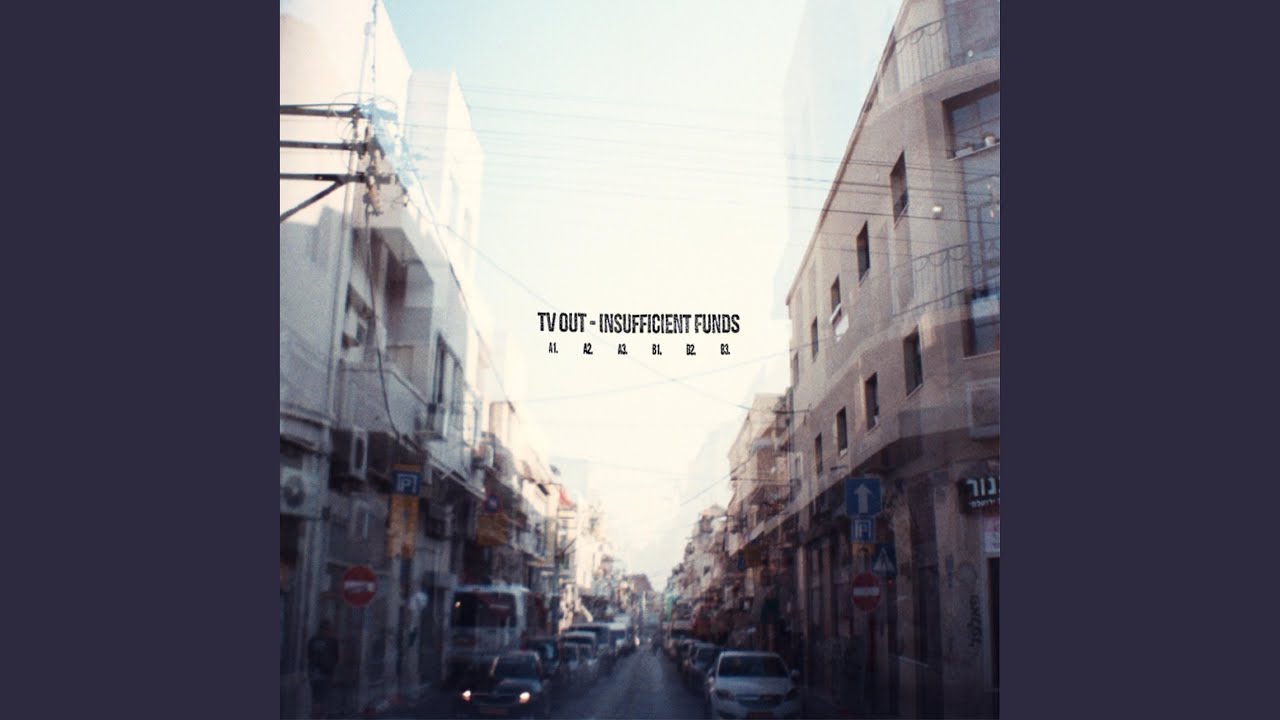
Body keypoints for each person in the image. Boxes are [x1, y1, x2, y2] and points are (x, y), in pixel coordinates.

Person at [307, 620, 339, 719]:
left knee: (316, 698)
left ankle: (316, 716)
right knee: (322, 698)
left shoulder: (313, 640)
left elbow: (309, 655)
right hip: (326, 673)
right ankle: (319, 716)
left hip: (315, 672)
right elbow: (336, 657)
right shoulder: (332, 641)